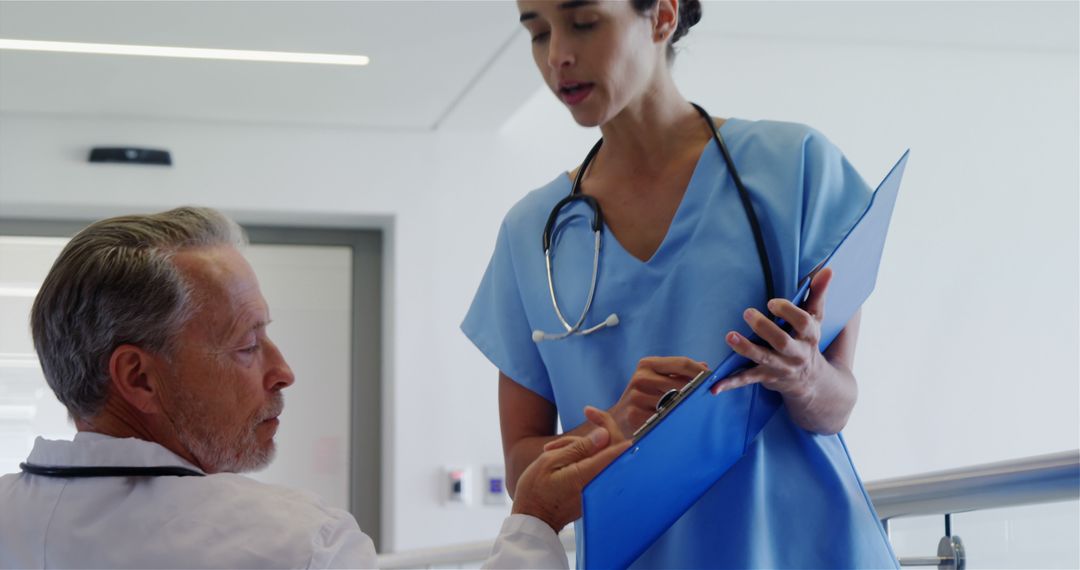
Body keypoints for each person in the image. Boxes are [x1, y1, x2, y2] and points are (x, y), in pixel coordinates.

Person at [462, 0, 897, 567]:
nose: (558, 56)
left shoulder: (795, 170)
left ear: (662, 16)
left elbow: (836, 406)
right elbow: (525, 474)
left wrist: (805, 374)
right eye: (538, 32)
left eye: (584, 22)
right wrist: (607, 431)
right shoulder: (532, 232)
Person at [0, 207, 628, 569]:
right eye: (247, 345)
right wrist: (537, 520)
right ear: (138, 377)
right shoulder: (285, 544)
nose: (282, 370)